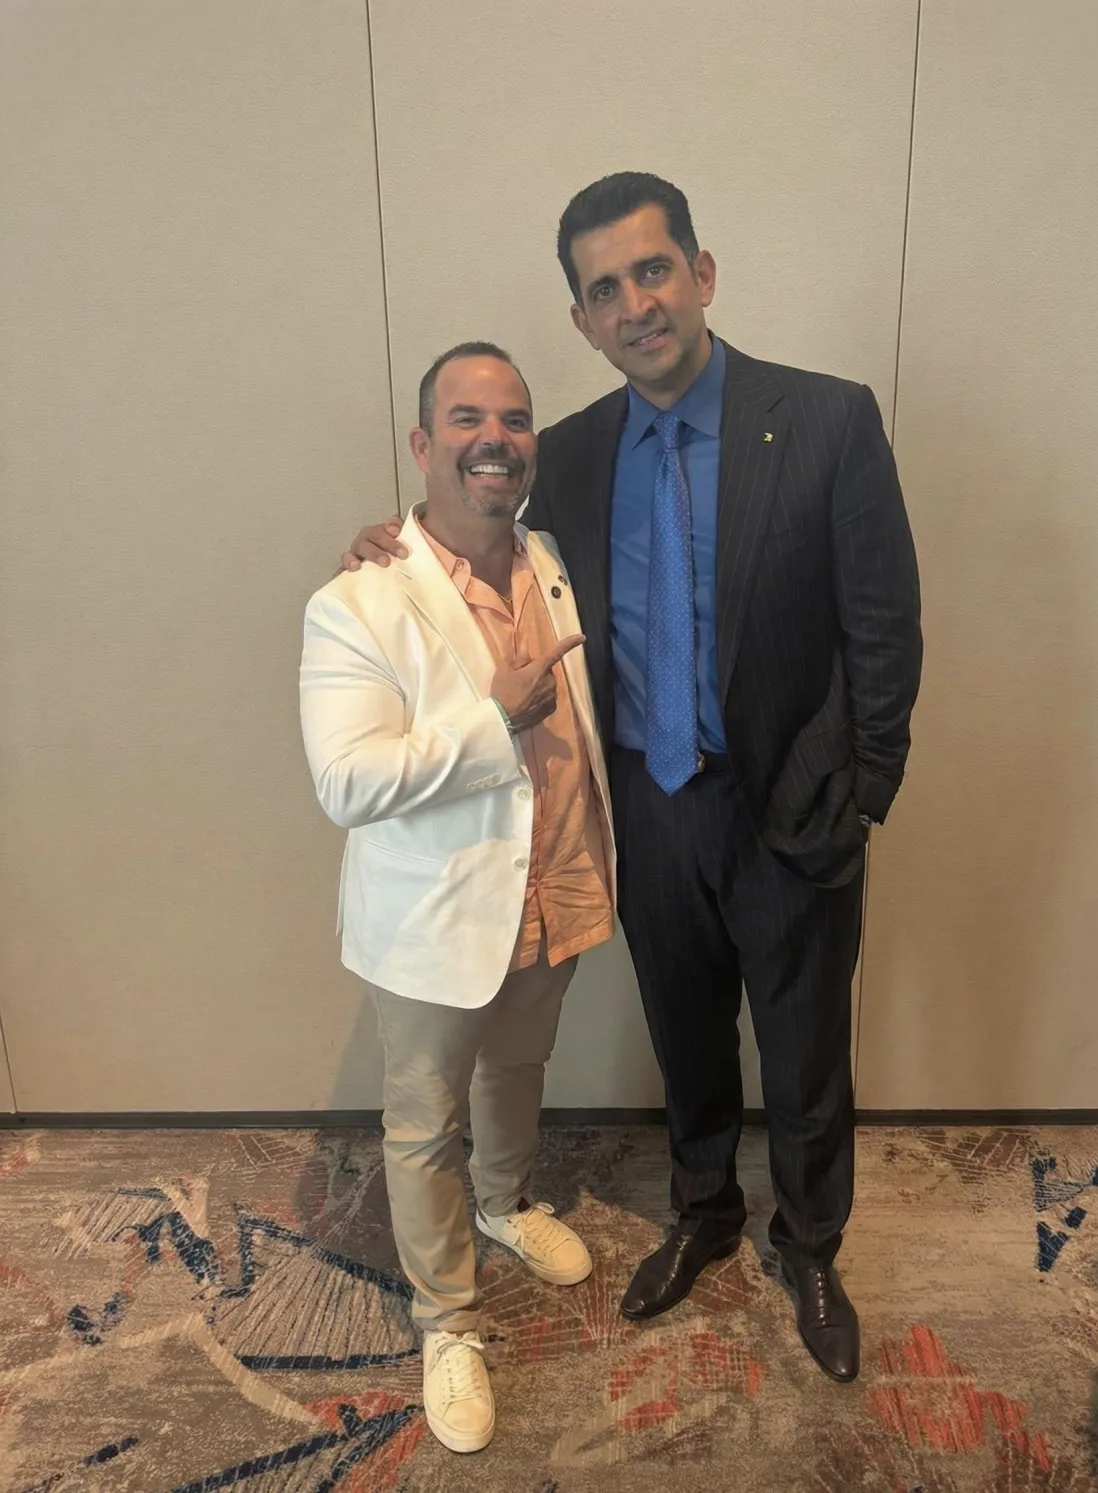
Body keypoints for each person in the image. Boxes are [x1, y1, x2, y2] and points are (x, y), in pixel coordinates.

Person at [339, 174, 922, 1384]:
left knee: (806, 1052)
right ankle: (704, 1211)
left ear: (701, 274)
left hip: (793, 804)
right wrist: (390, 541)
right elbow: (479, 532)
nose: (636, 304)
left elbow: (884, 622)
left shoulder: (827, 419)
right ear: (583, 320)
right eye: (605, 289)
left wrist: (864, 787)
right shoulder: (571, 453)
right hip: (648, 809)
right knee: (686, 1037)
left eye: (653, 270)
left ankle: (811, 1246)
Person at [301, 342, 616, 1452]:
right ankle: (446, 1318)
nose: (496, 439)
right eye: (468, 419)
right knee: (424, 1119)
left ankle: (505, 1200)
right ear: (423, 443)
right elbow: (347, 781)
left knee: (520, 1067)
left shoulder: (554, 555)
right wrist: (496, 724)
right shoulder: (358, 598)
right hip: (436, 915)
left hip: (561, 879)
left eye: (515, 419)